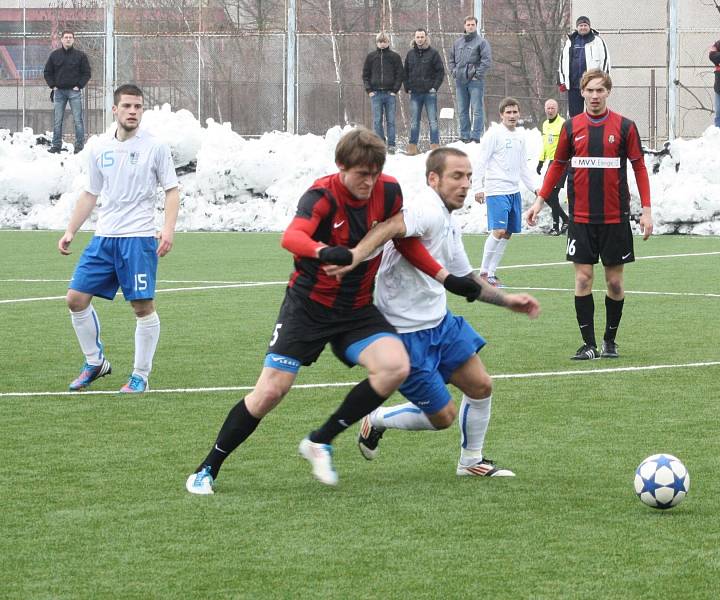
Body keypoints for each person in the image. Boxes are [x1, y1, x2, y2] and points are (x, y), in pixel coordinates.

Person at [185, 128, 481, 494]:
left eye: (375, 173)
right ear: (342, 167)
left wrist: (445, 277)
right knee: (270, 392)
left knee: (394, 366)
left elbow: (402, 241)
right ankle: (207, 468)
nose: (369, 182)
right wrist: (324, 251)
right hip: (308, 308)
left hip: (356, 309)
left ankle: (320, 440)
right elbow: (291, 237)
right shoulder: (322, 196)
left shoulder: (388, 192)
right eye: (361, 174)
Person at [356, 147, 540, 477]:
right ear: (433, 179)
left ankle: (471, 462)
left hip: (440, 323)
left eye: (469, 176)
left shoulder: (447, 219)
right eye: (457, 176)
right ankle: (377, 418)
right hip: (404, 336)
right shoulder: (425, 209)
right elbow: (389, 228)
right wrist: (355, 257)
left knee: (481, 386)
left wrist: (507, 300)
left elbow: (466, 279)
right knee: (442, 418)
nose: (465, 184)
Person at [523, 70, 652, 361]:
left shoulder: (625, 127)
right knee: (583, 280)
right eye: (590, 91)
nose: (594, 96)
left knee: (615, 283)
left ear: (608, 92)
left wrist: (646, 209)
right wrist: (540, 201)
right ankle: (588, 344)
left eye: (600, 91)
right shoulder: (571, 128)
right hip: (580, 218)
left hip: (614, 218)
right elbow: (557, 165)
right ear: (581, 92)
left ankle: (609, 340)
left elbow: (639, 167)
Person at [58, 84, 179, 393]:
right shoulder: (99, 147)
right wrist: (71, 230)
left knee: (142, 307)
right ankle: (94, 362)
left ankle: (140, 375)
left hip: (137, 239)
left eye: (138, 107)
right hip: (104, 238)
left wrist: (167, 229)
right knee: (75, 298)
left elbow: (171, 190)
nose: (133, 112)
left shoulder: (155, 147)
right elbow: (91, 192)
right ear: (115, 110)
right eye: (127, 106)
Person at [473, 97, 537, 288]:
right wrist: (477, 187)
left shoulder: (520, 136)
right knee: (498, 231)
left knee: (508, 233)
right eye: (508, 112)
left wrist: (535, 188)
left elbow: (523, 166)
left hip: (513, 191)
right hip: (496, 190)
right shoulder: (494, 134)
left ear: (519, 113)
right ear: (501, 115)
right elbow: (481, 161)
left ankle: (492, 273)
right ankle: (483, 273)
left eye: (514, 112)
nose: (512, 116)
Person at [43, 30, 91, 154]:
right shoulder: (54, 55)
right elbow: (47, 72)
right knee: (57, 120)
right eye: (66, 37)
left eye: (70, 37)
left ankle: (79, 147)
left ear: (73, 40)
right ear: (62, 40)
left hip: (74, 92)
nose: (68, 39)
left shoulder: (81, 56)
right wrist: (52, 85)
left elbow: (87, 73)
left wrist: (79, 85)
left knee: (78, 120)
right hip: (59, 92)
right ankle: (56, 146)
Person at [448, 15, 492, 143]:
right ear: (464, 26)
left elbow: (486, 61)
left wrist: (477, 75)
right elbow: (451, 59)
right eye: (468, 24)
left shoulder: (482, 42)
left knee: (477, 109)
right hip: (460, 81)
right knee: (462, 110)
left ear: (476, 26)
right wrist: (454, 72)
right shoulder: (457, 43)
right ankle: (464, 135)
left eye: (473, 24)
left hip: (475, 82)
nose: (470, 26)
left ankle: (475, 136)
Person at [403, 28, 445, 156]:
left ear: (426, 37)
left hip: (429, 93)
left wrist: (435, 87)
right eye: (418, 37)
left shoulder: (433, 53)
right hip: (415, 93)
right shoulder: (410, 54)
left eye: (422, 37)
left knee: (433, 120)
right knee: (414, 121)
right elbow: (405, 72)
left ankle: (435, 147)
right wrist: (407, 86)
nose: (420, 39)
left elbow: (440, 72)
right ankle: (412, 148)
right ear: (414, 38)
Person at [558, 16, 610, 118]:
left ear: (589, 27)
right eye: (580, 25)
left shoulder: (598, 41)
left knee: (594, 112)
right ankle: (577, 133)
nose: (583, 27)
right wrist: (562, 81)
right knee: (575, 115)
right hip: (574, 85)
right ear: (577, 27)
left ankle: (593, 133)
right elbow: (562, 61)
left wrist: (604, 81)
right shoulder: (570, 42)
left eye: (585, 25)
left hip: (591, 85)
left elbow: (605, 61)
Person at [362, 31, 404, 154]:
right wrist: (369, 90)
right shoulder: (371, 57)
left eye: (384, 41)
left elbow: (399, 74)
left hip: (390, 94)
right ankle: (380, 143)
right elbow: (365, 75)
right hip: (375, 94)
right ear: (377, 43)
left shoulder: (394, 57)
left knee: (391, 120)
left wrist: (394, 90)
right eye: (380, 41)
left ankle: (391, 145)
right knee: (377, 121)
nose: (382, 44)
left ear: (388, 42)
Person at [537, 98, 569, 236]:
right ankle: (566, 219)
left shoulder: (563, 123)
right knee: (546, 194)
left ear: (557, 109)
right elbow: (545, 144)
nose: (550, 111)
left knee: (553, 194)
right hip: (551, 162)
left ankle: (556, 226)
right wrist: (540, 161)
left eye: (553, 108)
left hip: (562, 162)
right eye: (548, 108)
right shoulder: (545, 124)